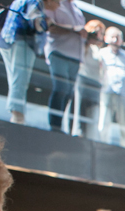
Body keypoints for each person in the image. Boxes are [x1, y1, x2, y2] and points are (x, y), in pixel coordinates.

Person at [0, 0, 49, 125]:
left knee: (14, 80)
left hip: (6, 40)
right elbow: (36, 23)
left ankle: (15, 115)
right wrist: (47, 23)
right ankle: (18, 117)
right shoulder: (35, 2)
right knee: (20, 81)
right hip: (23, 41)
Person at [43, 0, 85, 133]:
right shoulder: (55, 3)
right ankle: (55, 126)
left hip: (75, 57)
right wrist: (74, 30)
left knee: (68, 93)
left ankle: (60, 125)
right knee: (61, 88)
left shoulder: (77, 10)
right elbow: (50, 26)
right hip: (59, 52)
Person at [97, 26, 125, 148]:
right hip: (107, 91)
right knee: (104, 119)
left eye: (118, 37)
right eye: (112, 37)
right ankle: (101, 145)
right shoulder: (101, 53)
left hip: (124, 94)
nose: (115, 40)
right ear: (106, 38)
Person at [73, 19, 105, 139]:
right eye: (96, 32)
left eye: (101, 33)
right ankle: (78, 131)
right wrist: (87, 39)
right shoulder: (83, 44)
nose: (98, 35)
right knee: (80, 108)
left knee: (93, 111)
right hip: (83, 78)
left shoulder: (100, 51)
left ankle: (91, 136)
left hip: (96, 83)